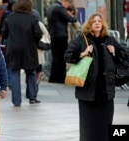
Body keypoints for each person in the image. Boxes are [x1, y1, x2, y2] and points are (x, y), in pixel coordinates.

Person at [64, 13, 128, 141]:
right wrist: (83, 53)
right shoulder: (82, 39)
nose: (97, 23)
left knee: (105, 126)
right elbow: (68, 56)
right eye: (94, 22)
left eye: (99, 21)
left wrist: (114, 53)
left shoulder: (110, 40)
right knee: (89, 129)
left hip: (106, 93)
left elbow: (123, 58)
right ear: (89, 25)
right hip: (88, 93)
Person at [1, 0, 42, 106]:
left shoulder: (10, 18)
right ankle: (32, 97)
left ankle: (16, 100)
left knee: (14, 73)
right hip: (29, 49)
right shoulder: (32, 18)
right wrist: (34, 42)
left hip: (13, 48)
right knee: (31, 72)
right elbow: (38, 33)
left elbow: (4, 33)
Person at [47, 0, 77, 83]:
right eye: (67, 3)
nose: (67, 6)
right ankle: (60, 78)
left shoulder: (51, 7)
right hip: (61, 36)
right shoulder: (59, 8)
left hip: (53, 35)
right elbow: (69, 18)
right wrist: (74, 17)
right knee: (62, 58)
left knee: (55, 57)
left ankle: (53, 78)